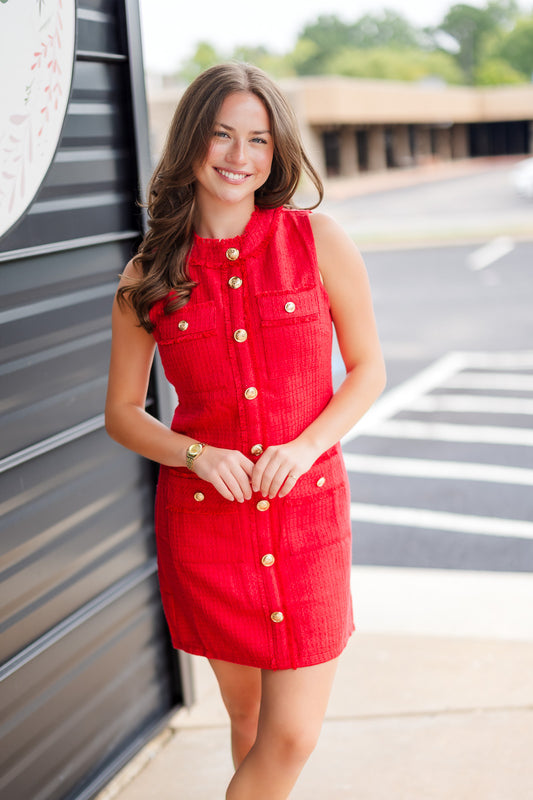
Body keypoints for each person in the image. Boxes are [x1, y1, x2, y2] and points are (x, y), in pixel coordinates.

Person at [105, 61, 386, 800]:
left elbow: (366, 370)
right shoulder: (147, 276)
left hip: (306, 521)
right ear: (192, 142)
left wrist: (304, 445)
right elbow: (123, 415)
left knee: (290, 737)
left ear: (275, 151)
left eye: (257, 140)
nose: (238, 156)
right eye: (222, 135)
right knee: (251, 720)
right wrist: (194, 454)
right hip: (207, 527)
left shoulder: (317, 241)